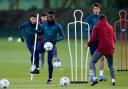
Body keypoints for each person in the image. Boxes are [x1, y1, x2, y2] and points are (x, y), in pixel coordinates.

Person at [86, 14, 116, 86]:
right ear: (105, 19)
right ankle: (113, 81)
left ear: (99, 20)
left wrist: (88, 44)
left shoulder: (97, 26)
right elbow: (114, 39)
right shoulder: (110, 27)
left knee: (92, 62)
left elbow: (93, 38)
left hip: (102, 48)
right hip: (110, 47)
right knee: (110, 65)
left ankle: (95, 79)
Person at [41, 10, 65, 84]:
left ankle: (50, 79)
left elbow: (63, 36)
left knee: (49, 62)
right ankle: (36, 67)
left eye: (52, 16)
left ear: (54, 17)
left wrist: (55, 40)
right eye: (49, 16)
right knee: (35, 51)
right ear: (47, 16)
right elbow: (40, 33)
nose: (50, 17)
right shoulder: (43, 25)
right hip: (43, 44)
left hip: (52, 46)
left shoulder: (58, 26)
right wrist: (37, 31)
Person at [85, 3, 106, 81]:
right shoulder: (89, 18)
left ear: (99, 10)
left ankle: (101, 76)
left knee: (102, 58)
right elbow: (85, 28)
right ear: (93, 10)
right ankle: (91, 75)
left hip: (101, 41)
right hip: (93, 41)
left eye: (97, 9)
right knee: (92, 59)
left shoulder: (102, 18)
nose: (96, 10)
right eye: (94, 9)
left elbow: (105, 27)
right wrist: (91, 29)